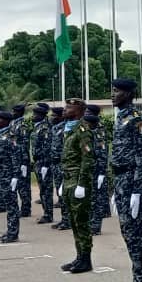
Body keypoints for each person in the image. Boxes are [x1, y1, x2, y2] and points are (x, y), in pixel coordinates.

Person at [110, 78, 142, 282]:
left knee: (135, 233)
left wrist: (137, 189)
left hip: (131, 180)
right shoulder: (120, 118)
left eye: (116, 91)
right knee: (128, 233)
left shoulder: (136, 119)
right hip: (121, 180)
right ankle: (138, 279)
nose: (112, 95)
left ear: (128, 94)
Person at [60, 98, 96, 273]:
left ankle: (86, 259)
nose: (65, 109)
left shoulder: (83, 130)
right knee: (74, 221)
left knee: (81, 221)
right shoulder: (69, 129)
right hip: (68, 180)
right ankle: (79, 256)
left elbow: (87, 159)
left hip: (77, 181)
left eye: (69, 107)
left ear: (79, 110)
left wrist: (82, 184)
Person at [0, 110, 21, 243]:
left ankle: (13, 233)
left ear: (6, 121)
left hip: (8, 174)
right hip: (0, 173)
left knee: (11, 205)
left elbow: (16, 156)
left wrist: (15, 176)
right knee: (7, 204)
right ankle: (9, 231)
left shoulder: (11, 136)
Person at [87, 104, 111, 236]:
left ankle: (96, 226)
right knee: (92, 198)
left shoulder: (99, 130)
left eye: (89, 112)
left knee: (97, 199)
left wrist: (102, 172)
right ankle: (92, 223)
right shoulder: (88, 129)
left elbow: (102, 153)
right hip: (90, 169)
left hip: (97, 169)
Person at [30, 103, 54, 224]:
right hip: (38, 162)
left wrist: (45, 165)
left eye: (35, 114)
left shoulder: (44, 127)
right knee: (42, 189)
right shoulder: (37, 126)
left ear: (41, 115)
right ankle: (46, 213)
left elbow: (47, 147)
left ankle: (48, 214)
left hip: (44, 162)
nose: (32, 116)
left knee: (46, 189)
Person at [9, 104, 33, 217]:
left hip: (22, 159)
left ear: (19, 113)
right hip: (14, 158)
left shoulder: (22, 125)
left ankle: (26, 209)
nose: (12, 113)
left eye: (14, 112)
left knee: (24, 186)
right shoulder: (13, 123)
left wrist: (24, 161)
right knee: (17, 184)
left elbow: (24, 144)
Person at [50, 106, 70, 231]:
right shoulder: (55, 128)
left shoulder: (67, 128)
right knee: (59, 191)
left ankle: (67, 220)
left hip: (64, 164)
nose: (52, 118)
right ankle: (64, 219)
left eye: (54, 115)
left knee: (65, 193)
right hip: (55, 163)